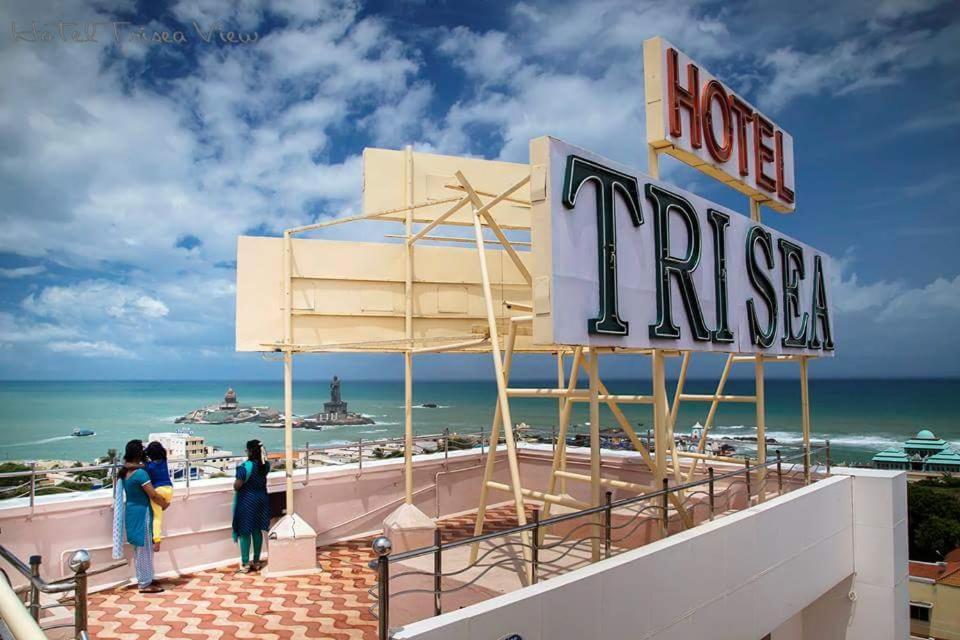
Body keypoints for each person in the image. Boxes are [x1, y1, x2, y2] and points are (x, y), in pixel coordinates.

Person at [111, 439, 169, 593]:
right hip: (142, 513)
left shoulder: (124, 473)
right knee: (144, 549)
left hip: (131, 512)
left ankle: (147, 577)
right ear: (139, 454)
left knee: (140, 549)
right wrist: (164, 504)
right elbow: (153, 494)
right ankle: (144, 583)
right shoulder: (141, 474)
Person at [232, 439, 271, 572]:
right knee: (257, 531)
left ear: (249, 451)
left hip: (247, 501)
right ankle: (256, 561)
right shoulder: (265, 466)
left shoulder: (245, 467)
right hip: (262, 500)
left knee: (244, 532)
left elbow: (237, 485)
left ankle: (245, 563)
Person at [144, 441, 174, 551]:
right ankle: (165, 505)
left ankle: (157, 540)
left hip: (158, 490)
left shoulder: (149, 466)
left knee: (157, 518)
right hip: (169, 489)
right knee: (161, 510)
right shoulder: (164, 461)